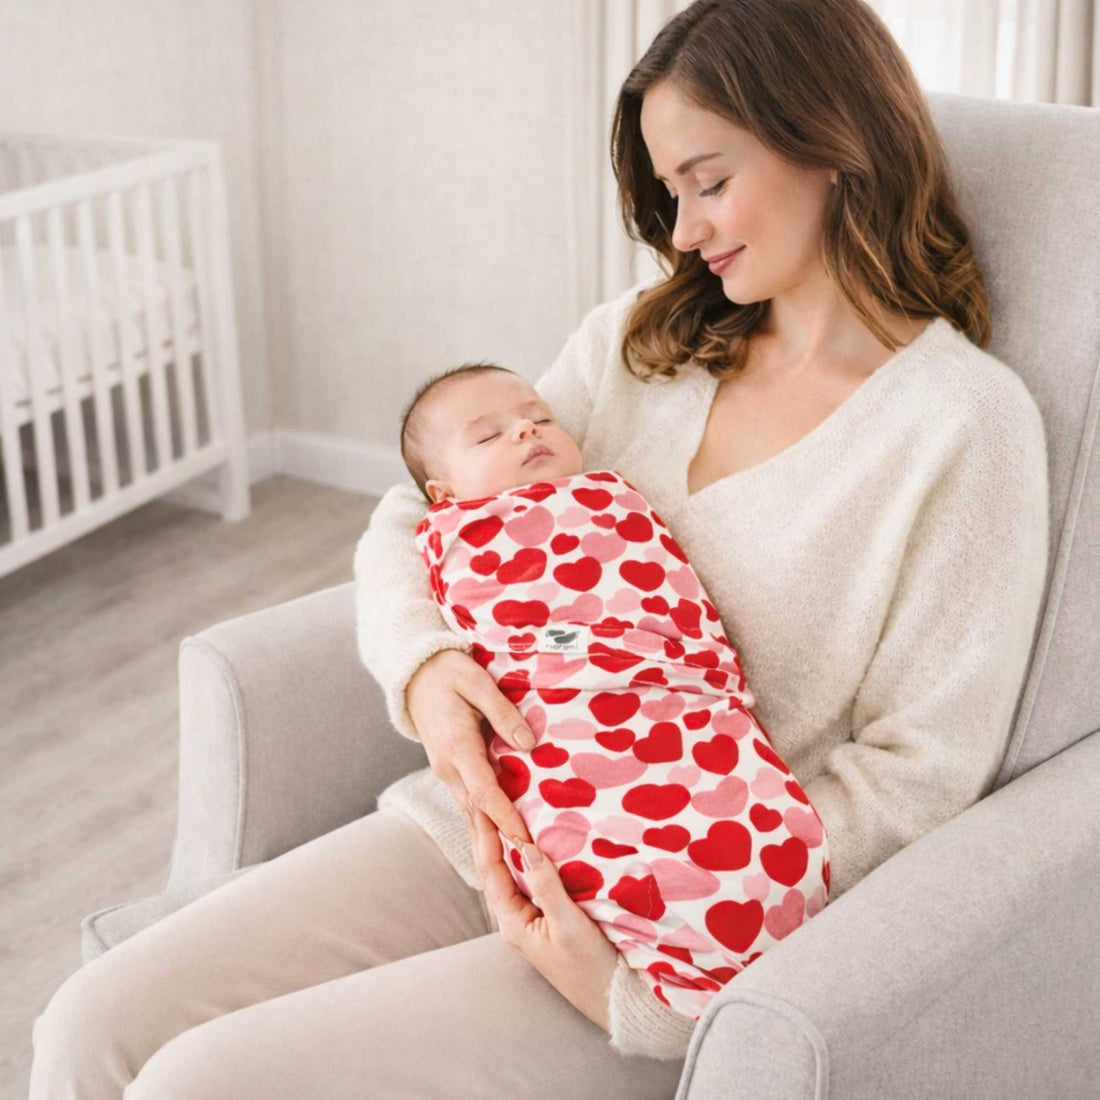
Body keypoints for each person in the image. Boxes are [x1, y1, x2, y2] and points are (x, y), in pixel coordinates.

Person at [28, 0, 1049, 1095]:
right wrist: (425, 671)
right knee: (93, 1022)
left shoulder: (960, 424)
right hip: (480, 824)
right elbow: (418, 513)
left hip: (660, 921)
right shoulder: (641, 341)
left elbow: (918, 775)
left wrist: (652, 988)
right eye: (670, 195)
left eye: (708, 182)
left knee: (201, 1080)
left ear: (832, 141)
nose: (685, 232)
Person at [397, 361, 832, 1022]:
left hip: (680, 713)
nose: (527, 431)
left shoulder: (606, 498)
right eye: (490, 436)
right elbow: (396, 523)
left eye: (541, 419)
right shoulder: (631, 344)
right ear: (444, 495)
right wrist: (422, 668)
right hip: (541, 741)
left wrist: (630, 1010)